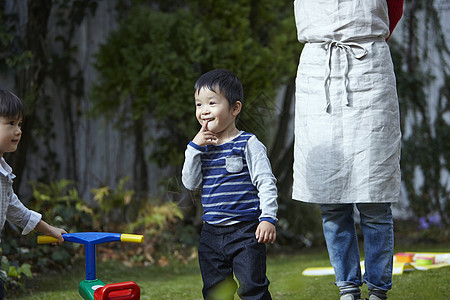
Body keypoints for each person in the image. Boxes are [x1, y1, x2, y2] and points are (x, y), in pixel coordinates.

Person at [292, 1, 404, 300]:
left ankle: (378, 289)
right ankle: (347, 288)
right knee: (331, 199)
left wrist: (362, 34)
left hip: (369, 67)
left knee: (374, 197)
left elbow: (393, 8)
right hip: (319, 73)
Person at [182, 69, 278, 300]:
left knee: (252, 288)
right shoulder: (200, 148)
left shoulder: (248, 143)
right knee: (215, 291)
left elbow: (266, 182)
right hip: (211, 234)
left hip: (245, 231)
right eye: (198, 104)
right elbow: (190, 183)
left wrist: (268, 218)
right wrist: (193, 148)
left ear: (234, 108)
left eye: (212, 103)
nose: (204, 111)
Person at [0, 90, 66, 297]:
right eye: (10, 123)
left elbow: (16, 210)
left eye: (19, 124)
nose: (18, 131)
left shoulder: (3, 174)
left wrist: (49, 229)